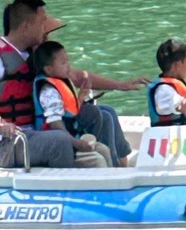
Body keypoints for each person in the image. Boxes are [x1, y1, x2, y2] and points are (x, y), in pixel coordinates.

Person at [0, 0, 77, 170]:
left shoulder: (32, 55)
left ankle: (115, 170)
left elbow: (71, 74)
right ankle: (66, 186)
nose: (45, 27)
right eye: (41, 22)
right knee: (60, 141)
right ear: (26, 26)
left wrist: (121, 85)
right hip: (5, 144)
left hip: (34, 132)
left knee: (101, 115)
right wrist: (0, 123)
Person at [28, 36, 126, 167]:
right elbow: (55, 124)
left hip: (74, 137)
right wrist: (76, 142)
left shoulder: (61, 82)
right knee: (99, 159)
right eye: (63, 63)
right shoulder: (49, 91)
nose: (68, 66)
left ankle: (115, 173)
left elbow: (69, 114)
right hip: (64, 144)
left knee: (104, 149)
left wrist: (80, 97)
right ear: (49, 69)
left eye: (68, 61)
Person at [146, 38, 186, 135]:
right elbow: (183, 108)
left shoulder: (177, 85)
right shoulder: (163, 90)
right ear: (177, 65)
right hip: (169, 143)